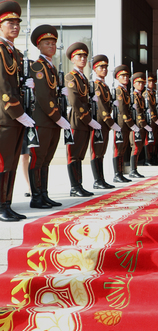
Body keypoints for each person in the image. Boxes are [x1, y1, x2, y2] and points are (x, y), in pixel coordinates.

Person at [0, 0, 37, 221]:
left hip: (16, 118)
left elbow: (17, 82)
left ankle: (7, 203)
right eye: (9, 22)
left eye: (17, 23)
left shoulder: (16, 53)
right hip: (5, 117)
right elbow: (4, 86)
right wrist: (17, 112)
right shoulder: (1, 51)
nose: (15, 26)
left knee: (12, 163)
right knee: (3, 162)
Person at [28, 24, 71, 208]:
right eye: (47, 43)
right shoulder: (37, 66)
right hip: (43, 120)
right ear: (39, 46)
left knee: (46, 159)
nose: (52, 46)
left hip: (52, 121)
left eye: (53, 43)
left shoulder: (52, 67)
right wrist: (57, 117)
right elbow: (44, 96)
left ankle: (44, 194)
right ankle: (36, 196)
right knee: (38, 159)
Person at [65, 42, 102, 197]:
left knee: (80, 154)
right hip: (77, 120)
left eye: (85, 56)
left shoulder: (83, 78)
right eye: (79, 56)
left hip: (84, 121)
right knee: (73, 154)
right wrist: (88, 119)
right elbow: (75, 102)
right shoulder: (70, 77)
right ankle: (74, 187)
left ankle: (79, 184)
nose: (82, 58)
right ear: (72, 59)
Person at [90, 55, 121, 189]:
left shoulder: (104, 86)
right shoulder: (96, 85)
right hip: (98, 123)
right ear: (94, 69)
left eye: (106, 67)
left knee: (101, 151)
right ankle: (97, 180)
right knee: (96, 151)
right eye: (101, 67)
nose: (104, 69)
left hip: (104, 125)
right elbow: (101, 107)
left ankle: (101, 179)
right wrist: (111, 122)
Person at [112, 65, 136, 182]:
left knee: (123, 148)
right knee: (118, 148)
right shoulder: (119, 90)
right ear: (117, 77)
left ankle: (120, 173)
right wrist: (131, 123)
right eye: (122, 76)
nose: (125, 78)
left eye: (127, 75)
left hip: (125, 125)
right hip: (121, 124)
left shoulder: (125, 91)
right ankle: (117, 174)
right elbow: (122, 109)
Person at [129, 72, 152, 178]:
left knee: (139, 147)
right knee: (136, 148)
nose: (141, 85)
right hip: (136, 126)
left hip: (141, 126)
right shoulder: (133, 96)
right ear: (133, 84)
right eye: (138, 83)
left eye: (143, 83)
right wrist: (144, 124)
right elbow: (138, 112)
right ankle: (132, 170)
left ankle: (134, 169)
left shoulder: (140, 96)